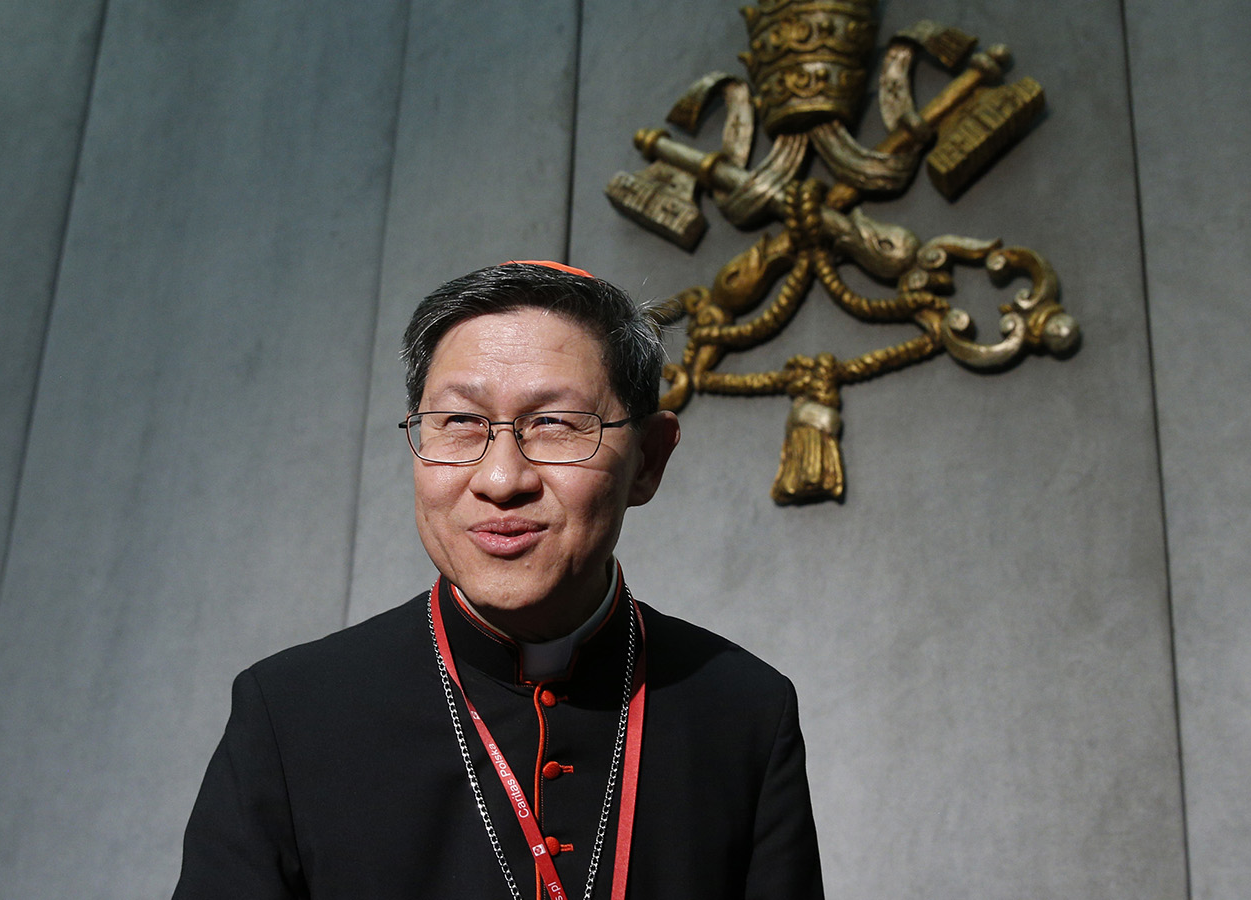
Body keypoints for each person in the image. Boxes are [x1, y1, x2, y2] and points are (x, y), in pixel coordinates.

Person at [173, 261, 824, 899]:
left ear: (648, 460)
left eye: (554, 423)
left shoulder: (744, 713)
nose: (502, 479)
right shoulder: (291, 714)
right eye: (460, 423)